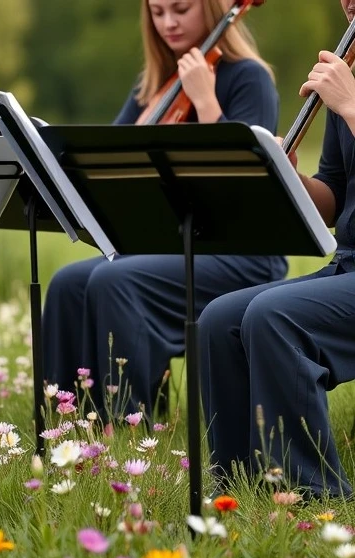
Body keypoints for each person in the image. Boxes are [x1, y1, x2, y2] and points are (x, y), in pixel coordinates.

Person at [42, 0, 287, 421]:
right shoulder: (155, 85)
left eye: (181, 9)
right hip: (165, 246)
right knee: (68, 283)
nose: (168, 23)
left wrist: (206, 103)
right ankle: (62, 422)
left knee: (114, 280)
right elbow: (107, 162)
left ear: (211, 9)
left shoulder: (249, 78)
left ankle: (130, 426)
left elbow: (245, 191)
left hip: (240, 255)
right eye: (157, 12)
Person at [198, 0, 355, 500]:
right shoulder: (350, 70)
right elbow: (332, 197)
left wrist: (352, 109)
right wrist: (287, 173)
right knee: (219, 319)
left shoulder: (347, 91)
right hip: (348, 265)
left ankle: (314, 497)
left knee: (272, 316)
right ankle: (241, 486)